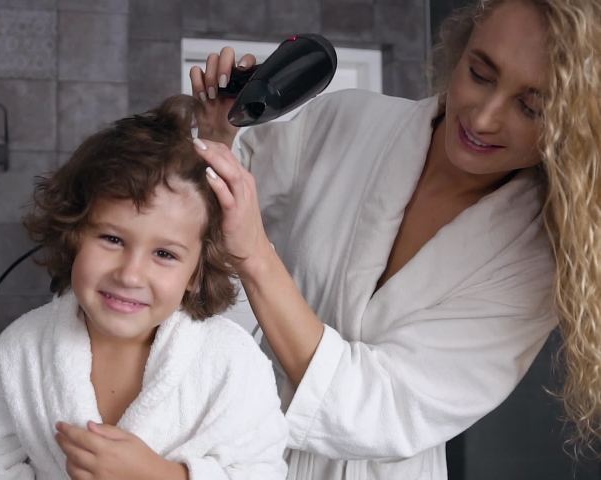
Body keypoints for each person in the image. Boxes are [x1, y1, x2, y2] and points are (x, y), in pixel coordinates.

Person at [188, 0, 601, 478]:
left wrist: (257, 257)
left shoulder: (532, 263)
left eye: (532, 107)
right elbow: (199, 226)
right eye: (481, 74)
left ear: (577, 126)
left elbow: (381, 412)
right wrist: (220, 135)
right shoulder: (348, 121)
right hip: (236, 446)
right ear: (460, 51)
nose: (484, 117)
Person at [0, 95, 289, 480]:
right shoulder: (21, 351)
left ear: (195, 274)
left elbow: (261, 471)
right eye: (112, 239)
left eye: (164, 254)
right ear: (74, 234)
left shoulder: (231, 361)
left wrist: (163, 477)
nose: (130, 275)